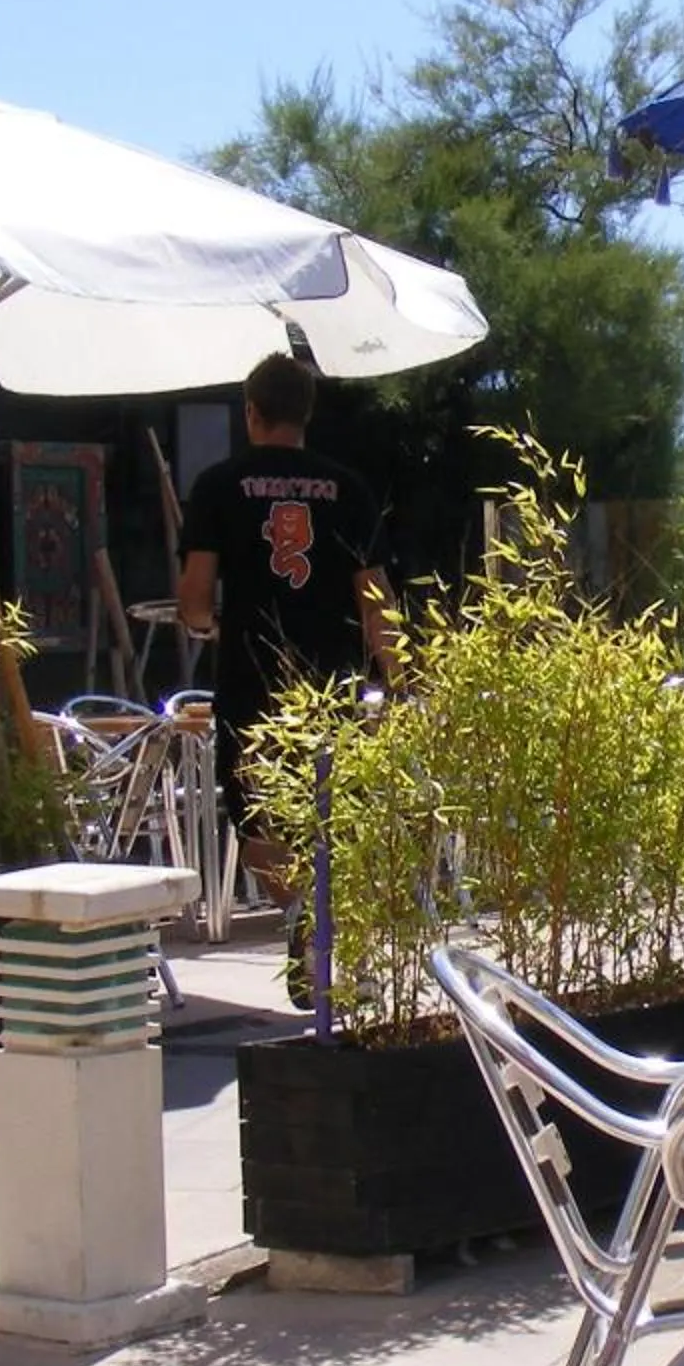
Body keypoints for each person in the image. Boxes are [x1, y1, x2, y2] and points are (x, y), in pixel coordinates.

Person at [176, 353, 398, 999]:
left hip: (252, 675)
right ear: (307, 413)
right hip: (330, 678)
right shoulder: (348, 489)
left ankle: (302, 917)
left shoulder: (219, 485)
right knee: (331, 812)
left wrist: (205, 624)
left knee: (259, 818)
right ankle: (332, 931)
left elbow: (194, 597)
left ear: (251, 411)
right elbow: (375, 597)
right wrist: (403, 675)